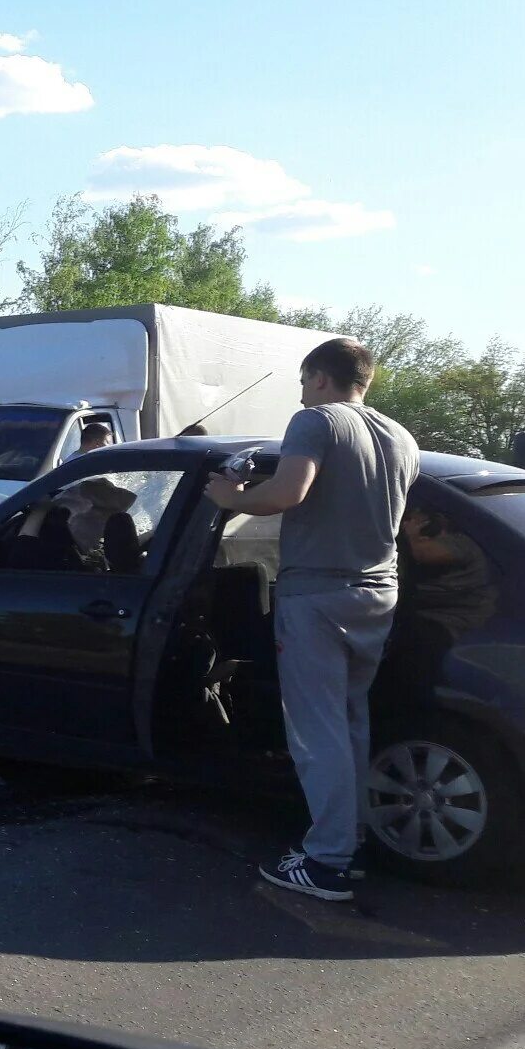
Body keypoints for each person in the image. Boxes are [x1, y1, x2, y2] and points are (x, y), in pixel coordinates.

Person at [204, 338, 418, 902]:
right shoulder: (402, 437)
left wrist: (230, 496)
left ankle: (325, 864)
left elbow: (288, 493)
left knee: (315, 732)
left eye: (303, 381)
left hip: (318, 596)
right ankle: (351, 841)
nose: (301, 392)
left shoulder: (316, 420)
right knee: (350, 722)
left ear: (320, 378)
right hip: (378, 593)